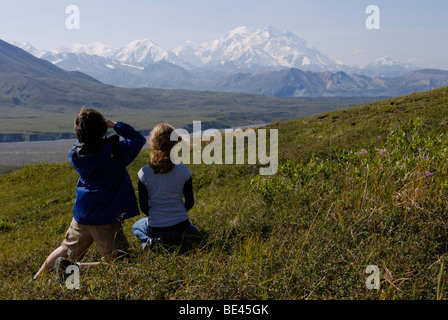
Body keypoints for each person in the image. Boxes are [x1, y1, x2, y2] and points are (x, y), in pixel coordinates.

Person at [34, 107, 146, 280]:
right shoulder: (116, 152)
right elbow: (138, 139)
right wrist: (115, 125)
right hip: (105, 217)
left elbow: (89, 143)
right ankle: (73, 269)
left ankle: (37, 278)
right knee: (119, 261)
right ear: (102, 129)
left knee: (66, 249)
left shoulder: (75, 154)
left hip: (83, 212)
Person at [132, 123, 199, 251]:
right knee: (194, 230)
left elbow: (144, 208)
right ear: (175, 143)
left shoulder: (144, 173)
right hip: (182, 226)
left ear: (153, 143)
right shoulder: (184, 170)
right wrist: (175, 213)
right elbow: (189, 203)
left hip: (157, 229)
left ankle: (149, 242)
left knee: (136, 226)